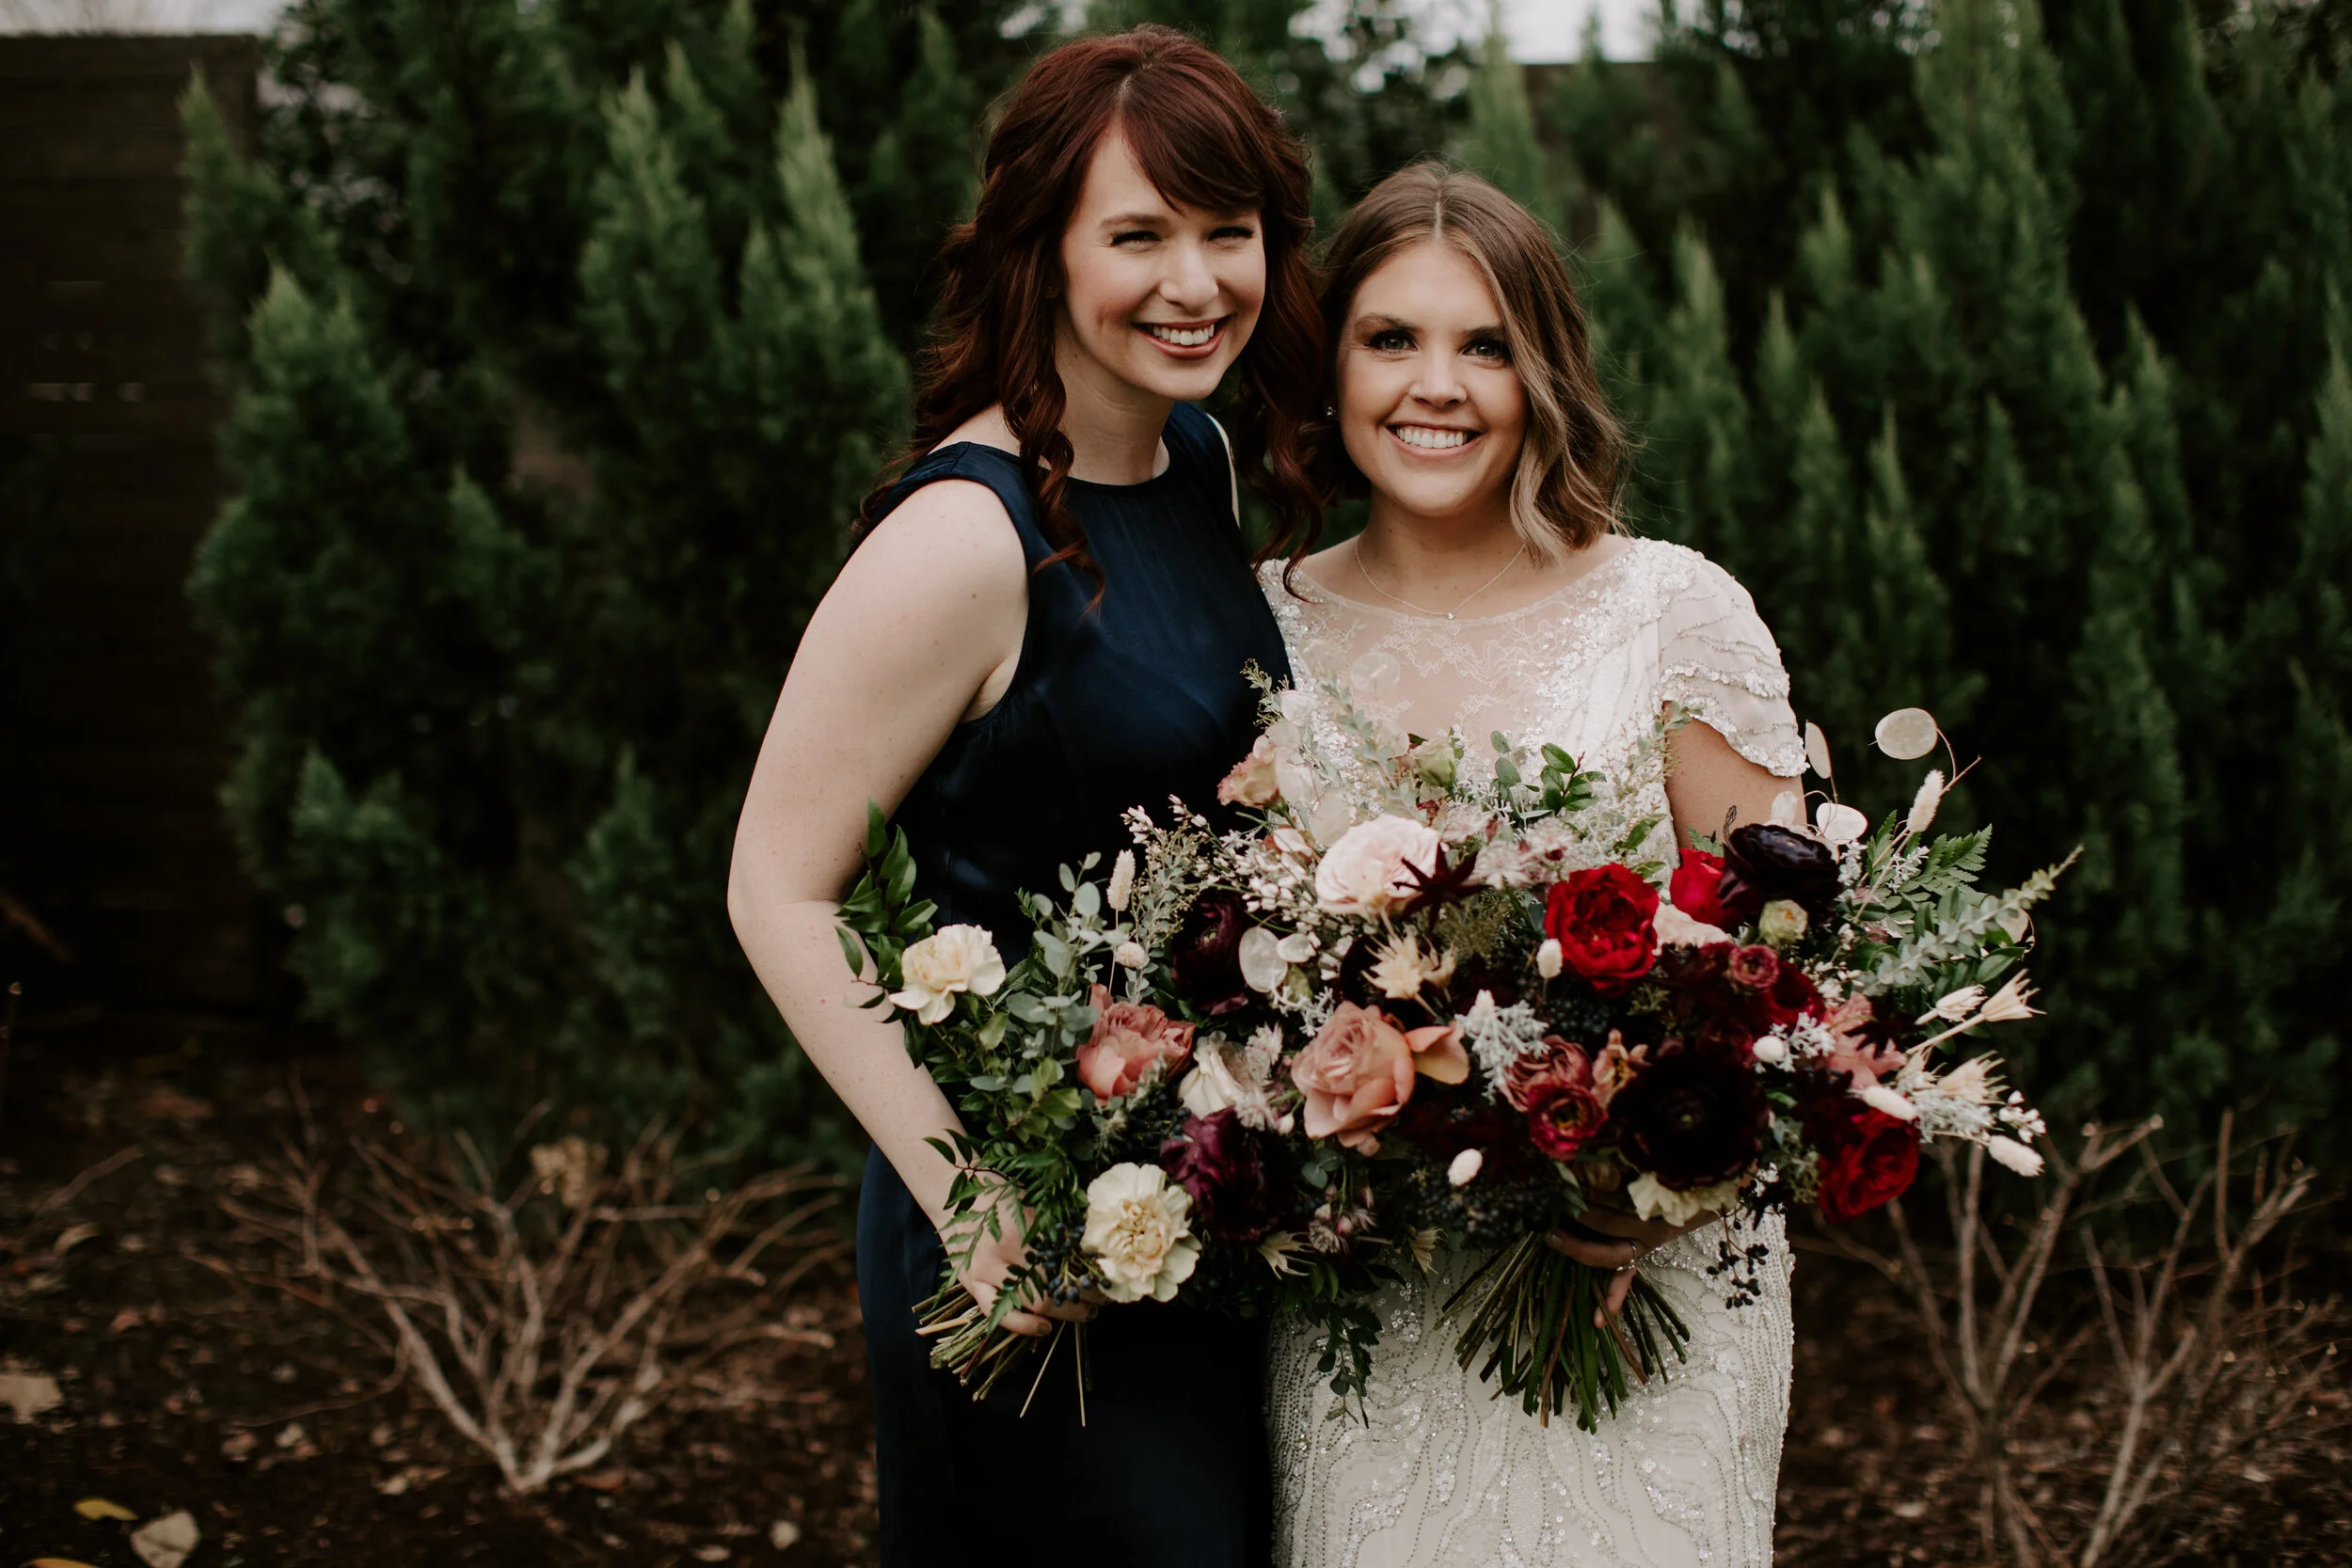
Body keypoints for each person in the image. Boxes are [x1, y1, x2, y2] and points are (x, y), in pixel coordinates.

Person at [727, 25, 1320, 1568]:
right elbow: (776, 886)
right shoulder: (965, 536)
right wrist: (974, 1204)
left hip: (1197, 1204)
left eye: (1226, 232)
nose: (1196, 283)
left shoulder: (1195, 463)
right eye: (1138, 235)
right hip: (1017, 1229)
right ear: (1041, 251)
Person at [1257, 163, 1804, 1568]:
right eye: (1391, 338)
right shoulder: (1263, 624)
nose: (1434, 385)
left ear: (1541, 371)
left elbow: (1784, 956)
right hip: (1375, 1316)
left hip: (1645, 1289)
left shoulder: (1667, 607)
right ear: (1331, 365)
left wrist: (1640, 1182)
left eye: (1484, 344)